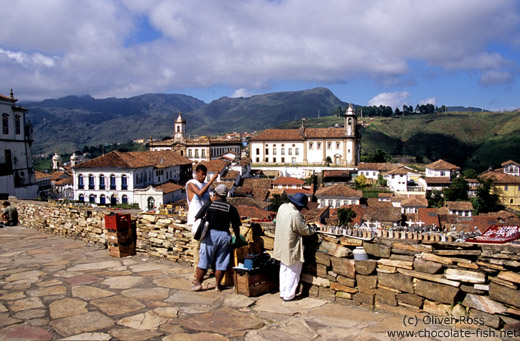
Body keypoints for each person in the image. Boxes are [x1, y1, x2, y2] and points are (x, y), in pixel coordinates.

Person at [192, 184, 241, 292]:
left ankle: (198, 283)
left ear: (215, 194)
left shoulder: (209, 205)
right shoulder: (231, 209)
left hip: (210, 235)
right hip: (224, 236)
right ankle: (218, 286)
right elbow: (236, 225)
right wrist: (237, 237)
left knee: (204, 260)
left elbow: (197, 218)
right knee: (221, 262)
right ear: (226, 195)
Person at [272, 192, 315, 301]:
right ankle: (289, 295)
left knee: (284, 269)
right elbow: (303, 230)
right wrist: (313, 229)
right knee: (293, 271)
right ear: (300, 205)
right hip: (291, 246)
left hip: (281, 243)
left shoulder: (282, 207)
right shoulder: (295, 214)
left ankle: (283, 291)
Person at [186, 164, 218, 275]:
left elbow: (208, 200)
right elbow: (199, 193)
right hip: (196, 221)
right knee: (197, 246)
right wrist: (211, 181)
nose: (203, 177)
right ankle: (197, 272)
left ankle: (206, 268)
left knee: (207, 246)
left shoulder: (205, 185)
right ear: (196, 174)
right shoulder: (191, 184)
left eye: (205, 175)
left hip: (206, 219)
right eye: (202, 175)